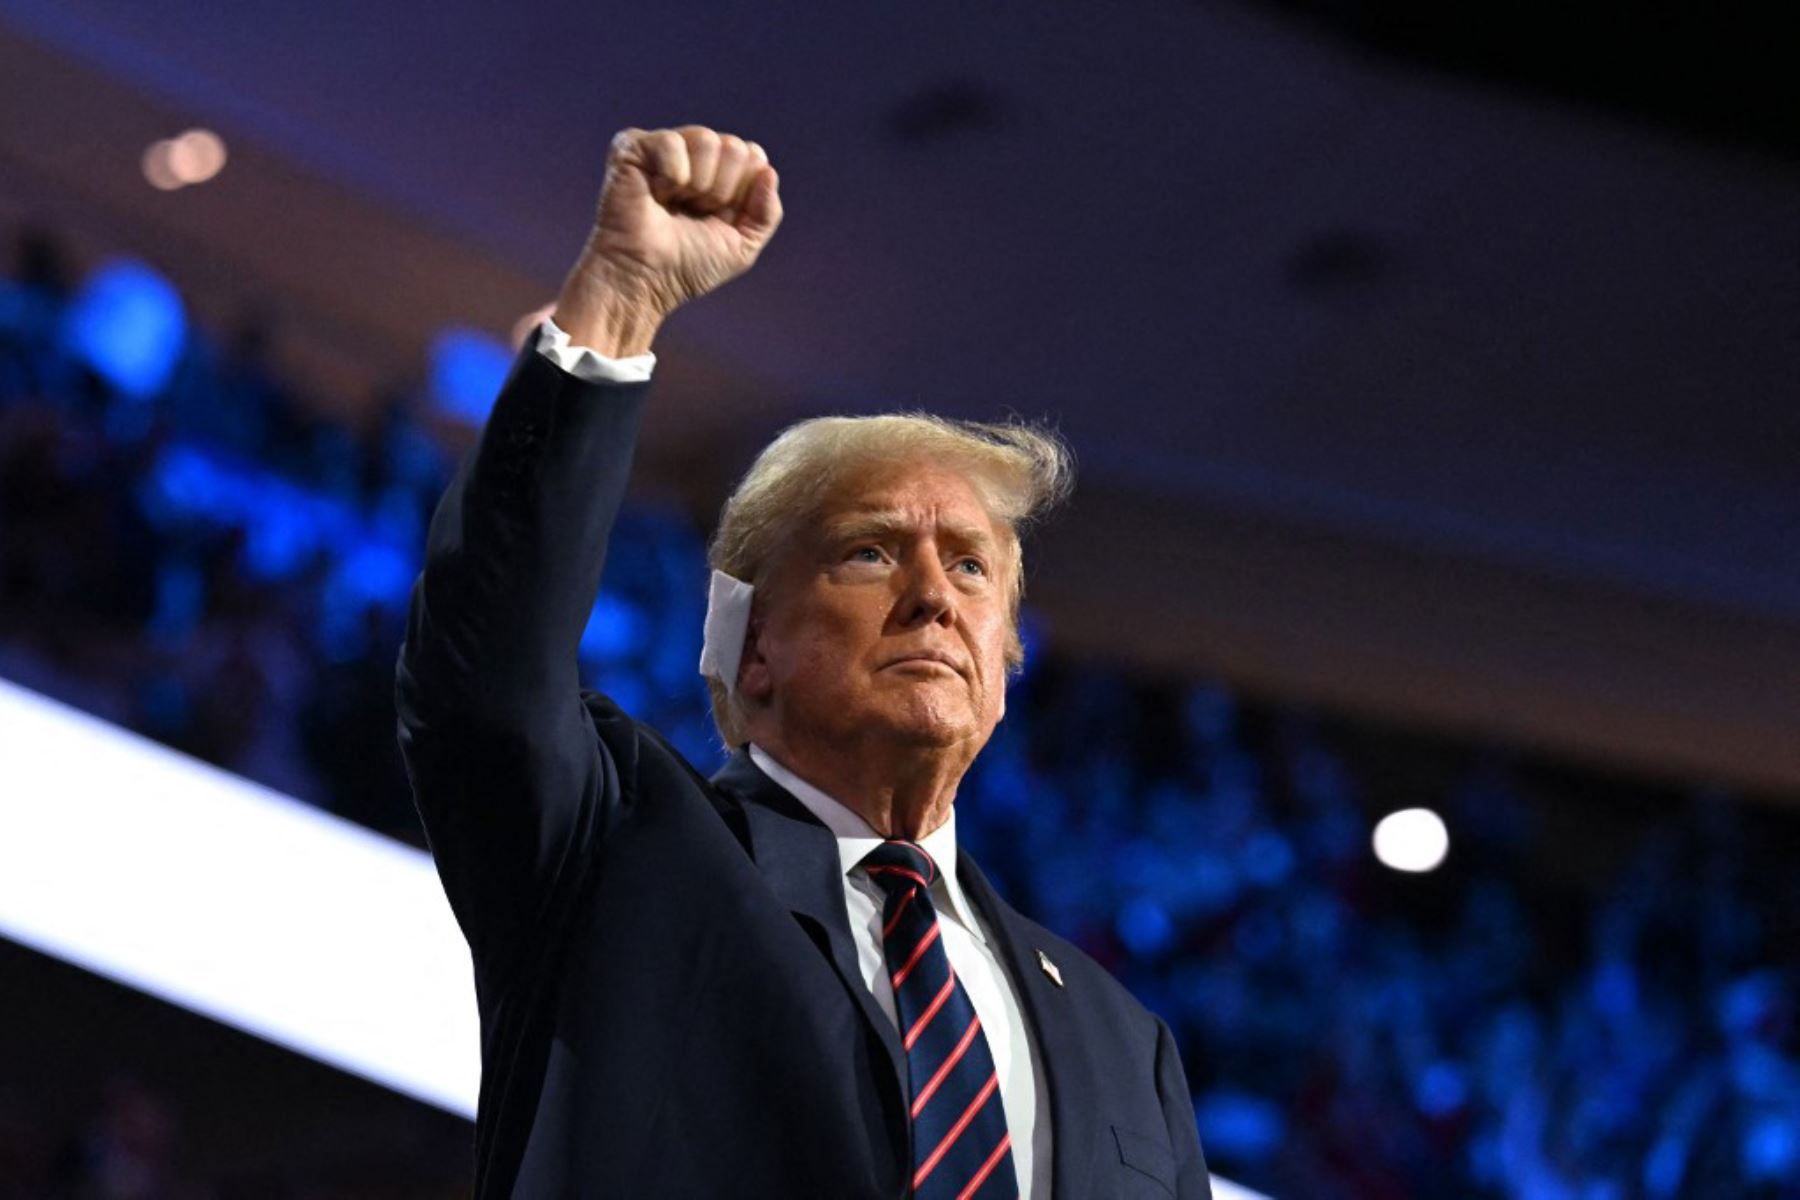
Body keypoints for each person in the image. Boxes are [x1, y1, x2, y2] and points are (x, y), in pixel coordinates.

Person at [396, 123, 1210, 1199]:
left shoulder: (1125, 1041)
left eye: (971, 569)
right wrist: (623, 297)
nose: (932, 595)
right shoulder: (619, 852)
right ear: (752, 646)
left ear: (1006, 665)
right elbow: (488, 676)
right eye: (871, 552)